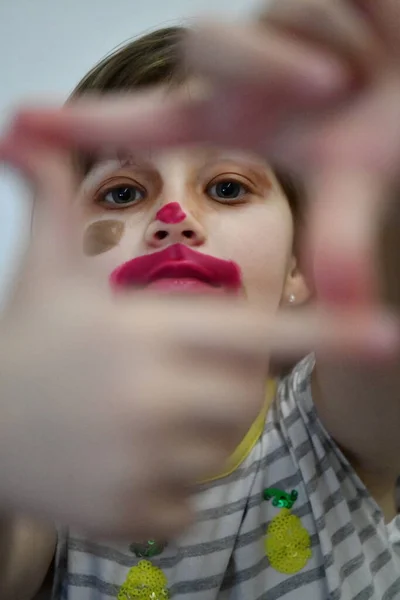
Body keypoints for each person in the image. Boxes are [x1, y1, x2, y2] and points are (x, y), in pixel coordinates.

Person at [2, 1, 400, 599]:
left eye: (227, 187)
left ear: (300, 268)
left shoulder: (330, 427)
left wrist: (384, 186)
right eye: (122, 192)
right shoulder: (49, 469)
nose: (174, 218)